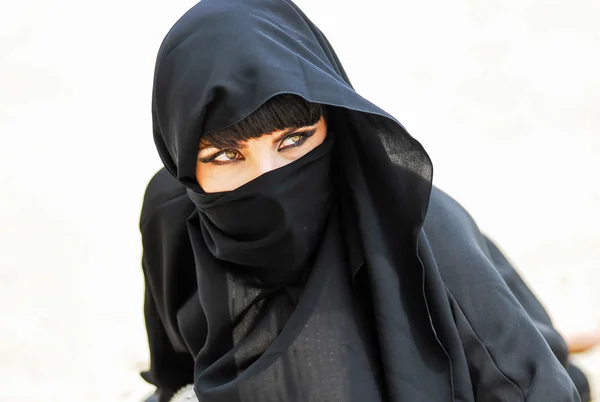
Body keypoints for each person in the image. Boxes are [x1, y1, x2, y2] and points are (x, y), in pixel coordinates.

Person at [140, 0, 589, 400]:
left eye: (294, 139)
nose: (269, 179)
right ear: (181, 161)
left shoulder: (416, 228)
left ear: (331, 118)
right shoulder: (174, 216)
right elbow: (176, 368)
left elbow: (530, 384)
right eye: (225, 155)